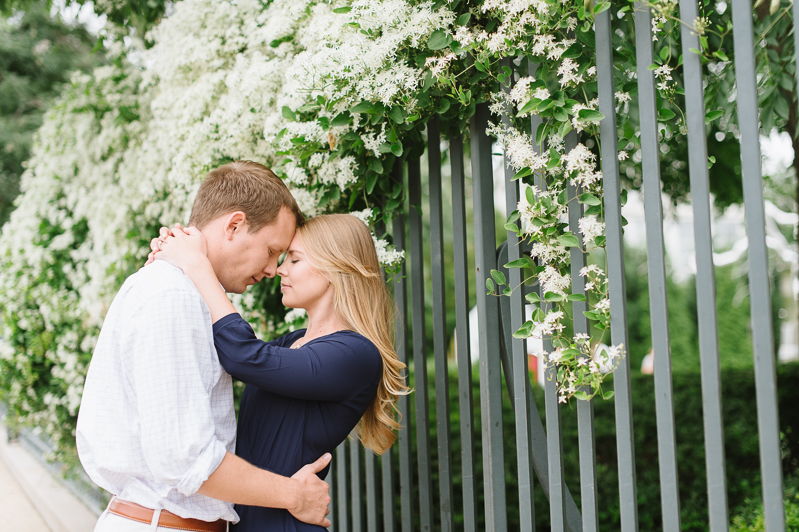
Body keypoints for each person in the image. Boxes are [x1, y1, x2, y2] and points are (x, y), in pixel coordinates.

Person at [76, 161, 332, 532]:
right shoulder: (173, 295)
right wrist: (294, 494)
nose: (274, 269)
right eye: (272, 250)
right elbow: (184, 457)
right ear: (234, 225)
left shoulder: (181, 291)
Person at [150, 213, 410, 532]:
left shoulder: (355, 354)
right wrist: (175, 262)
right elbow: (220, 346)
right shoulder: (293, 343)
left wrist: (197, 264)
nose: (280, 270)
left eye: (295, 259)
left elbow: (243, 354)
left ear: (335, 267)